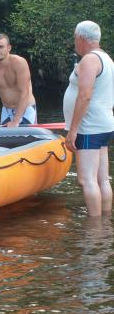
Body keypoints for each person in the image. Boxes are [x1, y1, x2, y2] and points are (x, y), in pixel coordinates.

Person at [63, 20, 114, 217]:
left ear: (82, 38)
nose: (74, 42)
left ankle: (94, 228)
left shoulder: (89, 60)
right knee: (102, 178)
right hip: (103, 123)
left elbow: (85, 95)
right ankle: (105, 220)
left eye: (75, 38)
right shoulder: (107, 59)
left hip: (89, 126)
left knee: (86, 180)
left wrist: (73, 130)